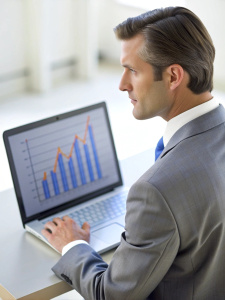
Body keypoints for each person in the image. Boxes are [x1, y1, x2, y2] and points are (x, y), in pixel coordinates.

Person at [42, 6, 225, 299]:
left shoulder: (156, 190)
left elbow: (111, 295)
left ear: (173, 76)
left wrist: (73, 245)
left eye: (133, 70)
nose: (122, 84)